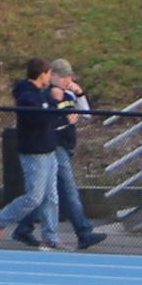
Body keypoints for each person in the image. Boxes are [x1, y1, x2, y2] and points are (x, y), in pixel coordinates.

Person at [0, 60, 64, 249]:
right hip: (34, 152)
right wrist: (54, 102)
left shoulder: (38, 94)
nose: (50, 77)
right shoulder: (28, 96)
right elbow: (39, 120)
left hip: (47, 150)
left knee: (51, 197)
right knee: (34, 197)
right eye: (48, 73)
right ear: (42, 74)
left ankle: (50, 235)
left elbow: (48, 119)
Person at [43, 59, 107, 251]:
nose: (66, 80)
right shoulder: (46, 96)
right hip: (55, 146)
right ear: (52, 75)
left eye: (68, 77)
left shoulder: (69, 94)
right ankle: (84, 232)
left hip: (67, 145)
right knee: (69, 191)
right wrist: (63, 117)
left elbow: (86, 114)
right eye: (62, 76)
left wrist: (79, 93)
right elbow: (47, 121)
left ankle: (22, 227)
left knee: (46, 193)